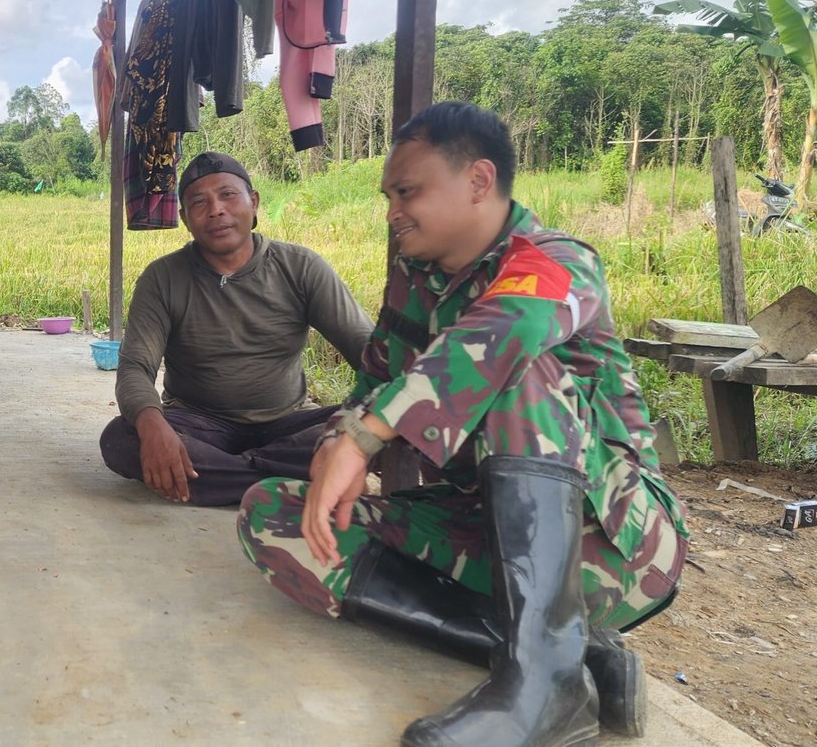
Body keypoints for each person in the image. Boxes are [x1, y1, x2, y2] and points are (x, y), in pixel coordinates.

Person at [237, 102, 689, 744]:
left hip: (613, 545)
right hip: (482, 530)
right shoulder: (415, 281)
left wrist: (366, 436)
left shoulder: (555, 260)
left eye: (407, 192)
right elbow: (374, 381)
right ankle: (573, 665)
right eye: (389, 196)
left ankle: (543, 683)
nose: (392, 212)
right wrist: (338, 441)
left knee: (516, 369)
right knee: (278, 518)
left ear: (478, 180)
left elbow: (507, 331)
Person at [100, 151, 373, 506]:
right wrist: (153, 426)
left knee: (380, 425)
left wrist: (368, 421)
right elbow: (135, 367)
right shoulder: (163, 278)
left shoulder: (301, 268)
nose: (216, 210)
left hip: (289, 422)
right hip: (200, 425)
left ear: (254, 203)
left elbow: (367, 351)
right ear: (185, 219)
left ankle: (230, 479)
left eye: (228, 195)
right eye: (199, 202)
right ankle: (292, 480)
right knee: (121, 439)